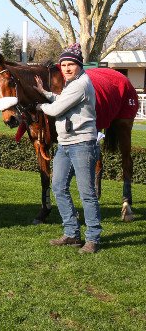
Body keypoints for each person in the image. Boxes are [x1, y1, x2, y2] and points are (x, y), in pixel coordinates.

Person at [35, 43, 101, 254]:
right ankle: (72, 233)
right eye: (63, 65)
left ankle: (93, 238)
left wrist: (40, 106)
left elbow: (56, 109)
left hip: (82, 145)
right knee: (58, 187)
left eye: (70, 64)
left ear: (79, 65)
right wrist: (44, 92)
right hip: (65, 145)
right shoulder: (72, 84)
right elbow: (61, 99)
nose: (66, 68)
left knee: (87, 194)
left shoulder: (80, 84)